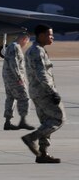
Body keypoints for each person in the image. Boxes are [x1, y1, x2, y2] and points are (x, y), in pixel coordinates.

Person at [20, 25, 65, 164]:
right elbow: (42, 75)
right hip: (44, 92)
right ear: (40, 36)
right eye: (49, 34)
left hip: (37, 92)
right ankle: (31, 138)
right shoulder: (37, 52)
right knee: (58, 119)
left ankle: (42, 154)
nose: (52, 37)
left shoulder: (36, 50)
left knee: (46, 123)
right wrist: (52, 92)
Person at [2, 32, 35, 131]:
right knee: (25, 98)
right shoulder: (15, 47)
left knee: (10, 98)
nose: (26, 45)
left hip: (8, 78)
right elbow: (14, 64)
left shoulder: (12, 46)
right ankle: (23, 121)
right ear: (24, 39)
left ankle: (7, 122)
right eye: (27, 42)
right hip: (14, 78)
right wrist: (19, 78)